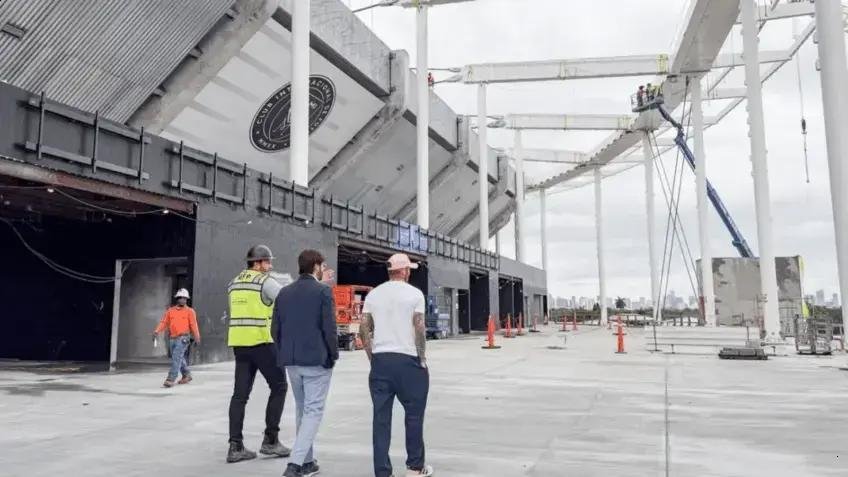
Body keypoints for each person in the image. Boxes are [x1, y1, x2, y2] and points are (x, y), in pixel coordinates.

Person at [359, 253, 433, 477]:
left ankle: (382, 471)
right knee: (414, 415)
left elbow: (364, 330)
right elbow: (419, 328)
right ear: (405, 271)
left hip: (381, 361)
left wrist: (373, 357)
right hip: (408, 361)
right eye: (409, 269)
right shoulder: (414, 294)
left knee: (381, 419)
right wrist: (421, 358)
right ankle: (414, 468)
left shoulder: (374, 294)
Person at [274, 250, 338, 477]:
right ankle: (295, 464)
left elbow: (276, 330)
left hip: (292, 362)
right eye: (323, 265)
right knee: (313, 411)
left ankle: (308, 462)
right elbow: (329, 328)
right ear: (316, 266)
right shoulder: (323, 291)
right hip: (316, 361)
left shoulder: (284, 293)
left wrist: (285, 354)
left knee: (303, 410)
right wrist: (333, 355)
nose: (324, 269)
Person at [226, 244, 292, 463]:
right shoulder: (265, 282)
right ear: (257, 263)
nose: (270, 265)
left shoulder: (233, 283)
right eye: (267, 261)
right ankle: (271, 441)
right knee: (280, 386)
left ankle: (235, 447)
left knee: (240, 395)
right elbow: (286, 302)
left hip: (239, 345)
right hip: (262, 343)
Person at [153, 288, 200, 388]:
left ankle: (171, 379)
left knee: (176, 357)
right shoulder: (170, 311)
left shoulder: (190, 311)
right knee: (178, 357)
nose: (183, 300)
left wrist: (197, 337)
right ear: (177, 299)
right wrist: (157, 331)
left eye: (185, 298)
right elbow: (164, 323)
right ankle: (186, 375)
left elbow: (194, 325)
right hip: (172, 338)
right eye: (181, 298)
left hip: (183, 338)